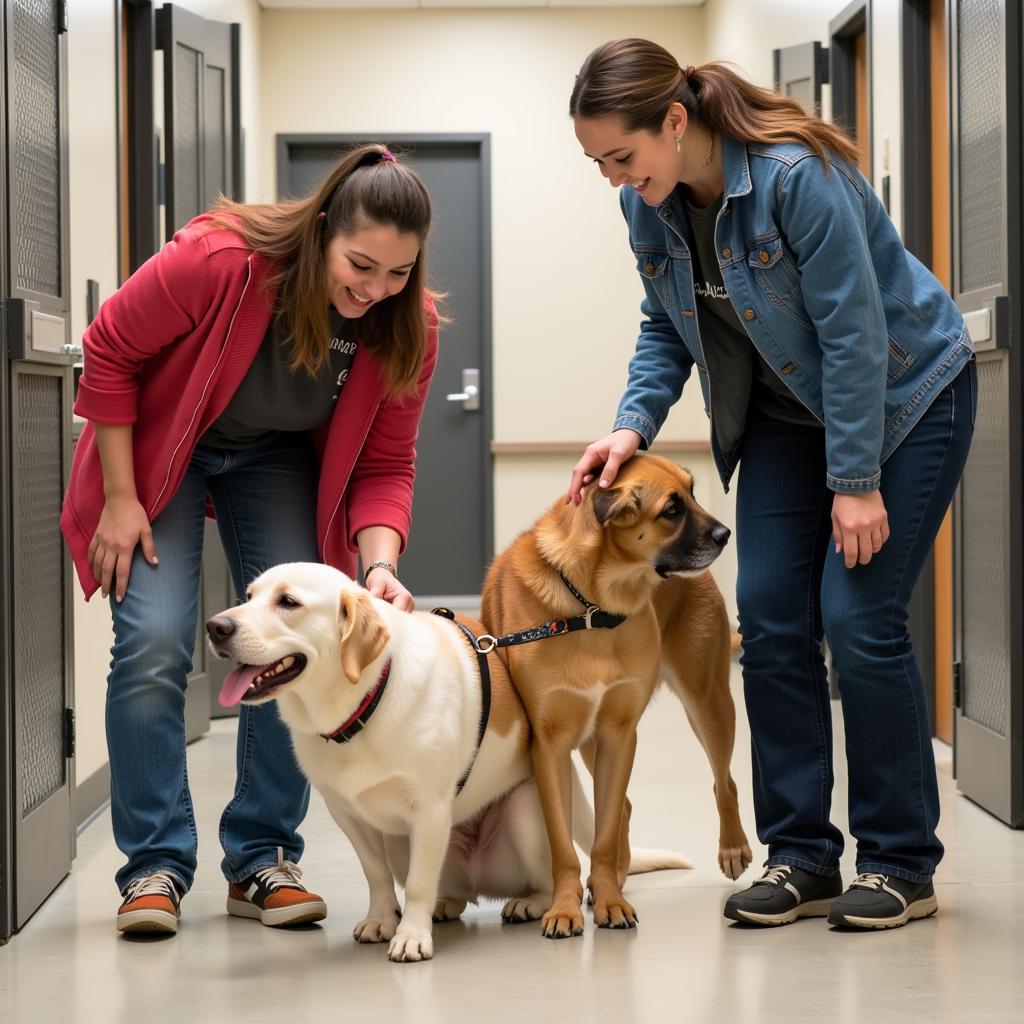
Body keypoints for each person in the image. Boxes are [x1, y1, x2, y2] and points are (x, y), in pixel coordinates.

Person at [566, 39, 975, 930]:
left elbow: (857, 333)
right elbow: (665, 328)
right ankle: (801, 856)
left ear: (675, 122)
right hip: (787, 418)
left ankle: (901, 862)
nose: (612, 178)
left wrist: (857, 480)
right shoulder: (653, 208)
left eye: (621, 157)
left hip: (905, 398)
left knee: (859, 620)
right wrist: (630, 425)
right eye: (597, 163)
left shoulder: (797, 181)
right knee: (769, 617)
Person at [60, 144, 440, 935]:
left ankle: (262, 857)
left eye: (397, 274)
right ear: (326, 229)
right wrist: (123, 500)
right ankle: (154, 868)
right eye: (361, 266)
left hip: (271, 457)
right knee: (155, 639)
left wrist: (377, 566)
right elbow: (109, 350)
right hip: (165, 443)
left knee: (298, 642)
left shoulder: (408, 326)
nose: (375, 290)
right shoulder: (221, 258)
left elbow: (386, 459)